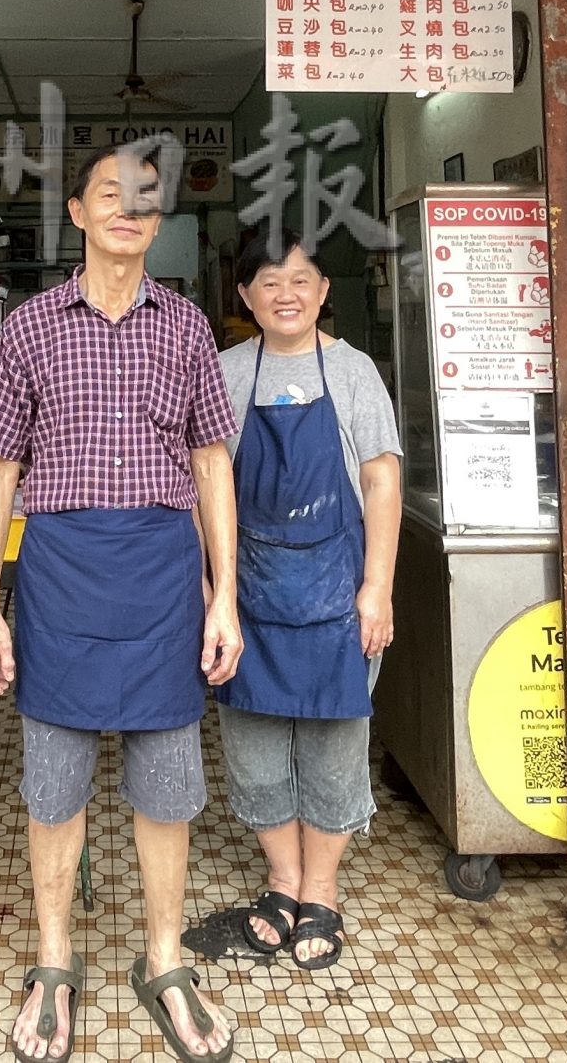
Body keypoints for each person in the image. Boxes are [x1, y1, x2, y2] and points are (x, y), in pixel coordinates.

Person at [0, 146, 244, 1063]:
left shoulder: (189, 328)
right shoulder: (32, 325)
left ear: (157, 225)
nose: (128, 210)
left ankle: (165, 960)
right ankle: (54, 958)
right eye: (109, 195)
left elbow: (212, 464)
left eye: (144, 201)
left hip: (165, 575)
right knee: (55, 785)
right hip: (60, 568)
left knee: (167, 785)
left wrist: (225, 598)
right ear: (79, 213)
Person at [189, 234, 403, 972]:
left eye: (302, 278)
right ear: (244, 295)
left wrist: (377, 587)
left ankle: (323, 888)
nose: (287, 292)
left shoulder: (352, 373)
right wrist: (215, 593)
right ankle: (282, 878)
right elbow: (201, 489)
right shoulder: (222, 374)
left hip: (338, 595)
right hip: (248, 593)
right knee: (252, 755)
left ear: (322, 291)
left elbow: (380, 482)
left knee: (335, 749)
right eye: (269, 280)